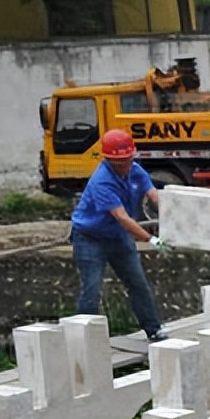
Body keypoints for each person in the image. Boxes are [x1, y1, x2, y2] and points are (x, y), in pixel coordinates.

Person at [70, 129, 169, 342]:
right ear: (109, 159)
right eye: (119, 161)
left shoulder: (136, 171)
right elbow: (122, 217)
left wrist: (173, 216)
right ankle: (82, 340)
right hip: (90, 238)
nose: (124, 164)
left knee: (138, 282)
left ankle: (154, 329)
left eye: (127, 159)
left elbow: (153, 195)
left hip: (117, 236)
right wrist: (151, 239)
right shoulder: (102, 181)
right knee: (92, 287)